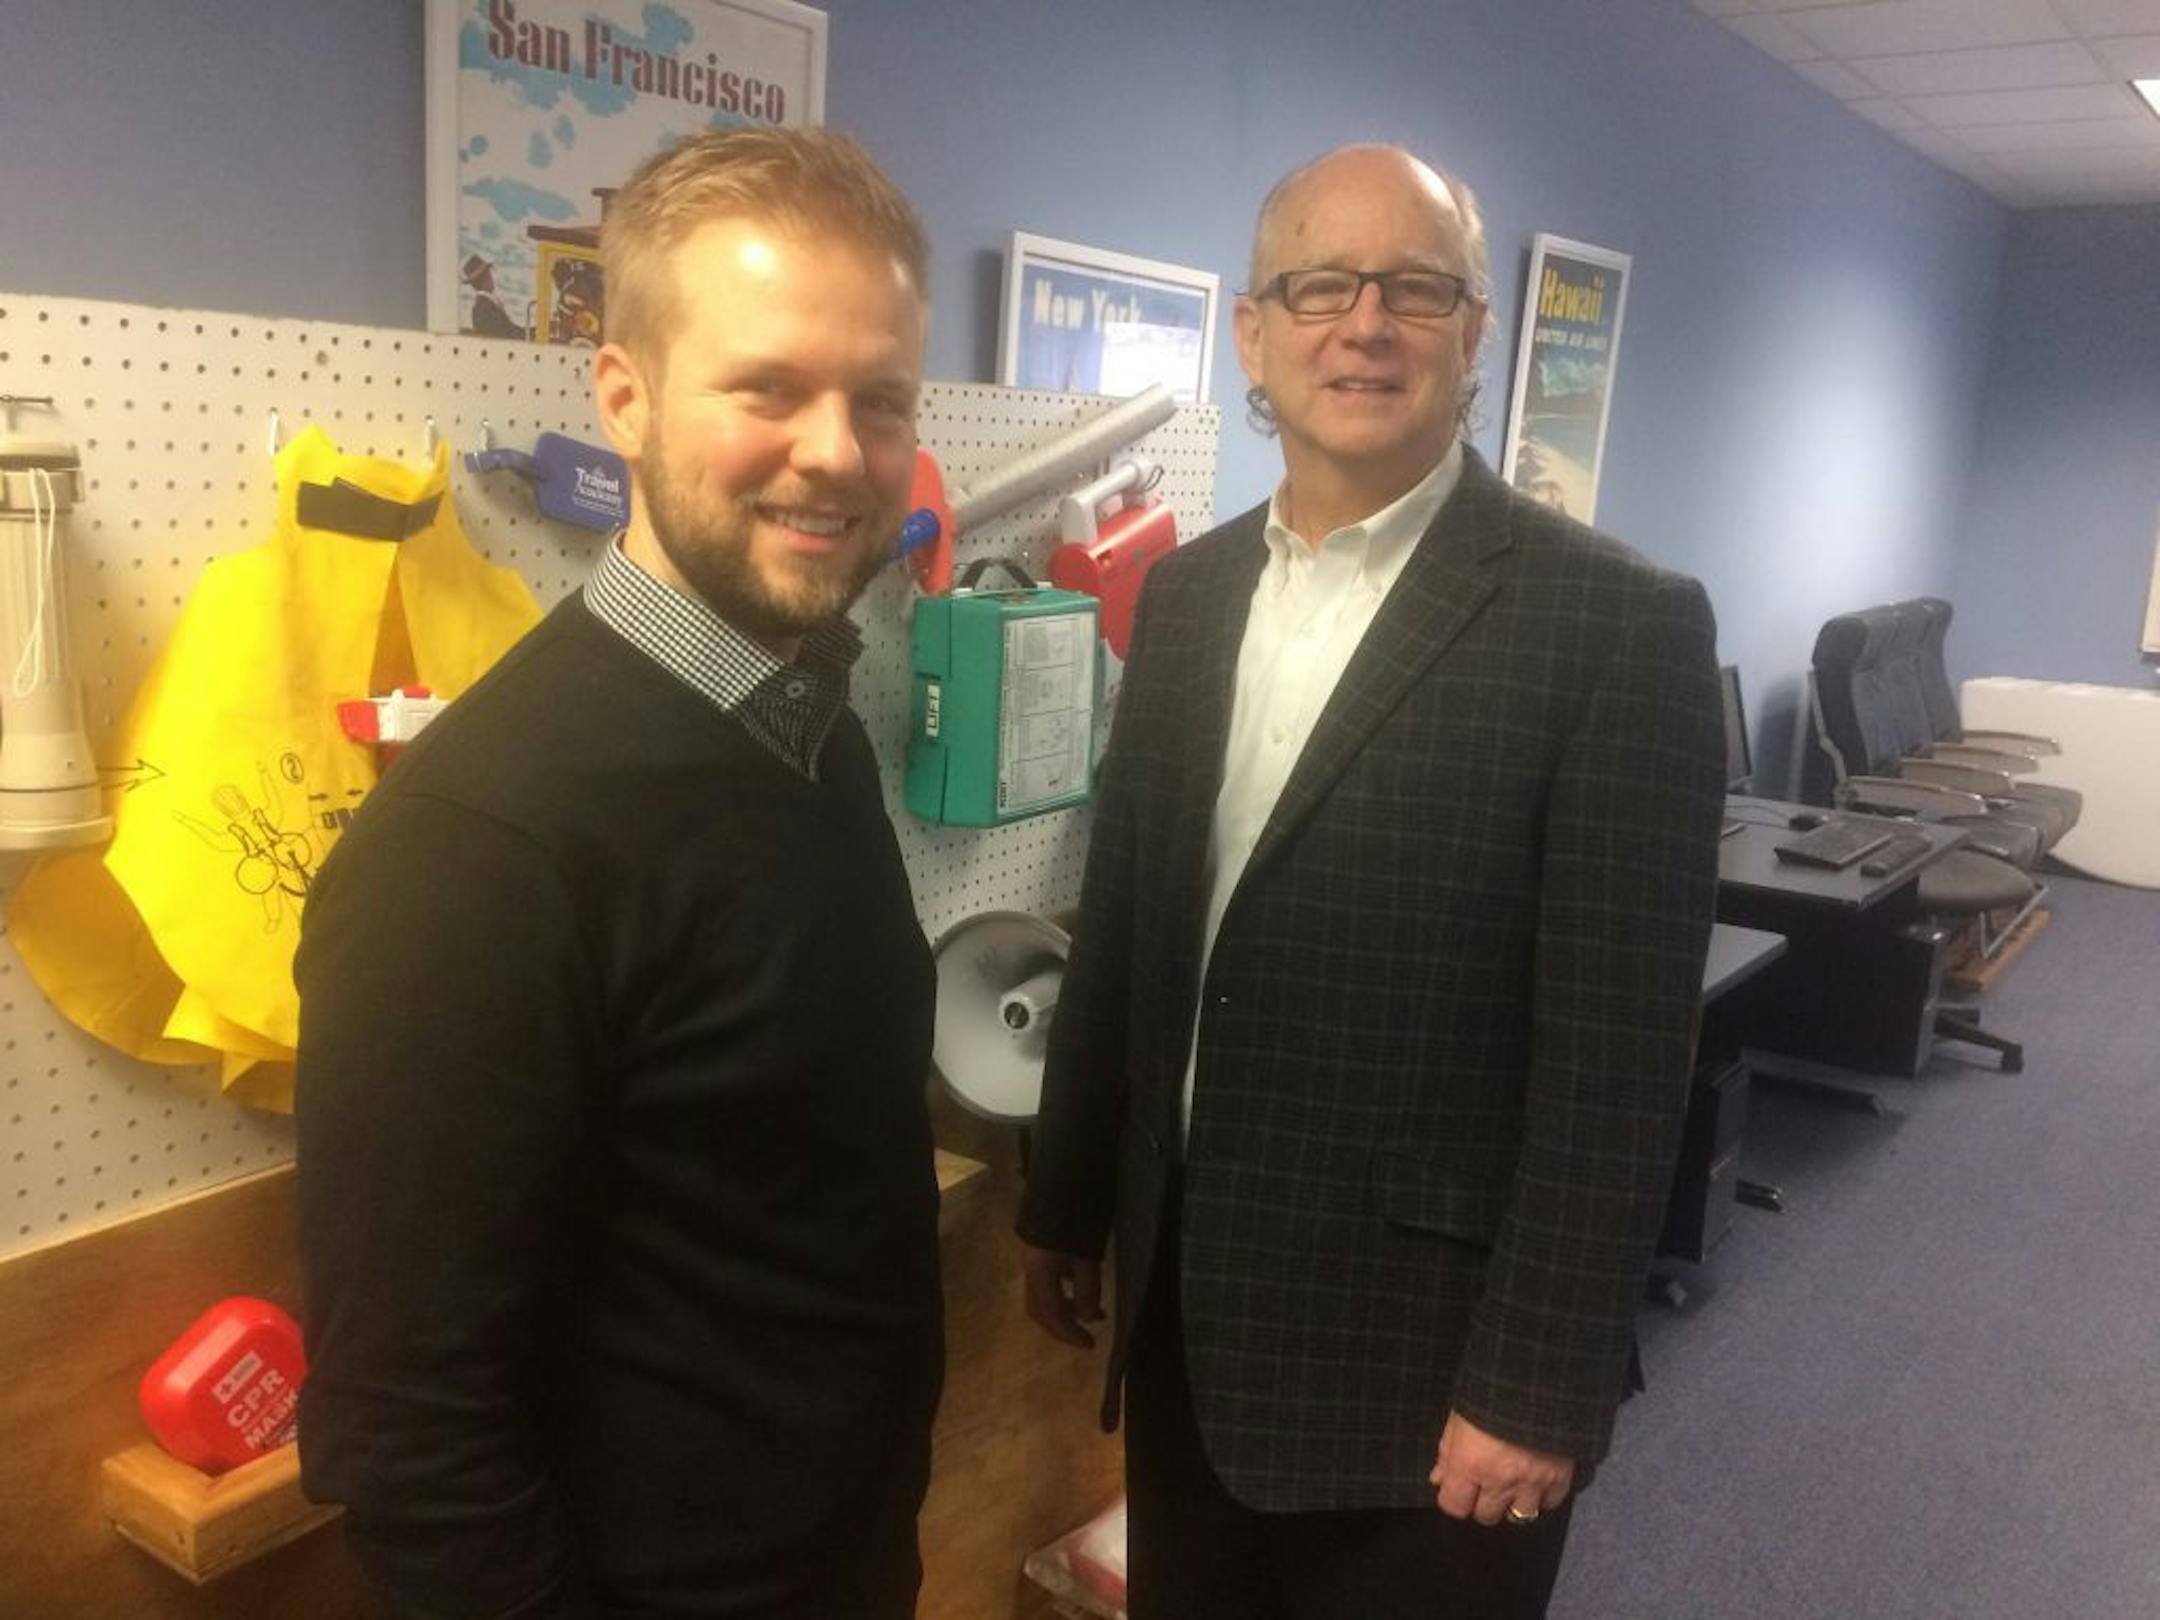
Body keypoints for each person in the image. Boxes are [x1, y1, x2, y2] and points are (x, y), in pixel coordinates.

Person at [1018, 144, 1725, 1619]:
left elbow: (1619, 1055)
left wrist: (1541, 1375)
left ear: (1474, 334)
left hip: (1432, 1381)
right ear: (1254, 335)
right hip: (1195, 1330)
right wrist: (1067, 1197)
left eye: (1416, 287)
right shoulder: (1191, 597)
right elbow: (1138, 929)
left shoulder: (1615, 626)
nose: (1366, 322)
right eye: (1320, 285)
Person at [295, 127, 942, 1619]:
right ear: (625, 395)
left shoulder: (807, 730)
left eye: (881, 399)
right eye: (767, 387)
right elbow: (408, 1435)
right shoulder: (478, 851)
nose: (836, 451)